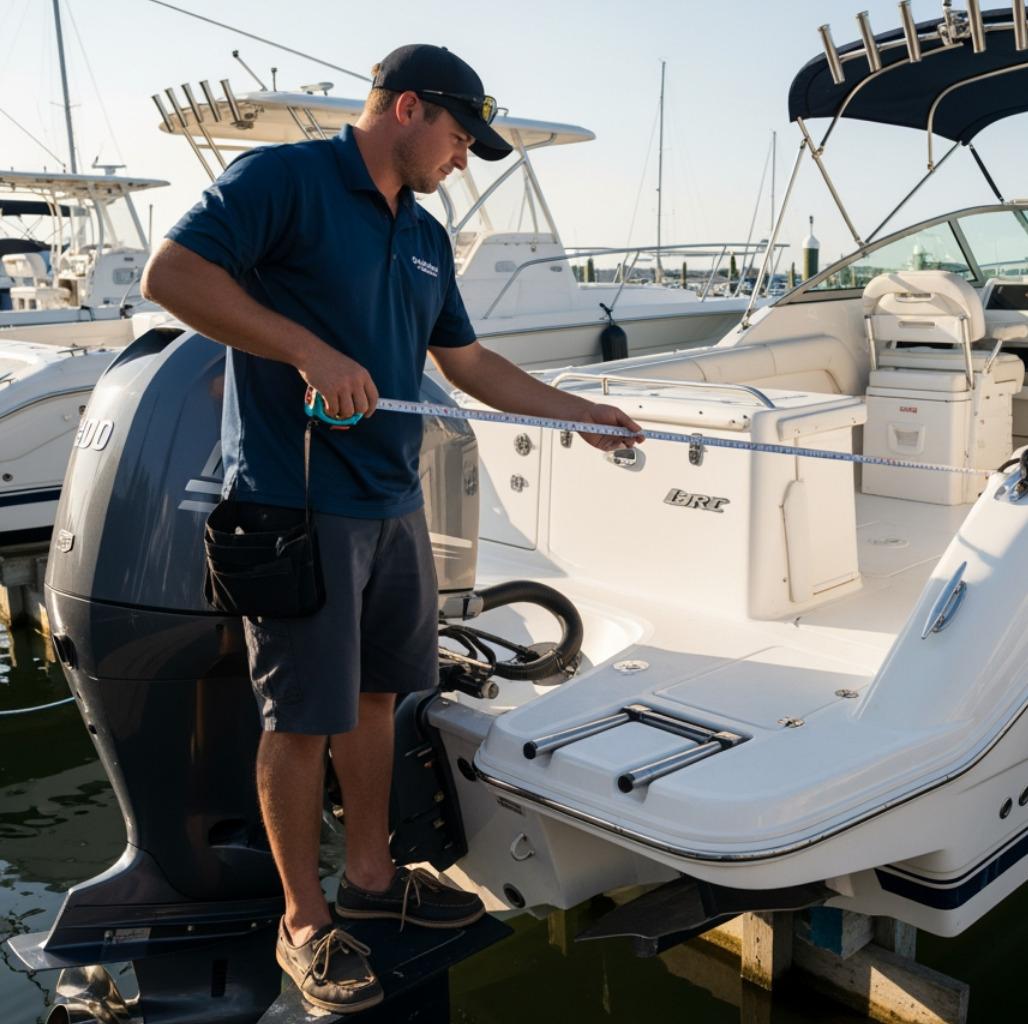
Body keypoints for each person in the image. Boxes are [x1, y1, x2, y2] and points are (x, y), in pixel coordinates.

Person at [141, 44, 642, 1014]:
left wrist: (570, 410)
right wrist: (306, 349)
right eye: (458, 140)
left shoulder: (423, 235)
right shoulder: (283, 178)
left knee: (378, 700)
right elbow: (172, 273)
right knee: (301, 721)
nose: (462, 161)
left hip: (391, 505)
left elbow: (467, 362)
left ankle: (371, 880)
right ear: (406, 109)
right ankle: (303, 924)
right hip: (295, 504)